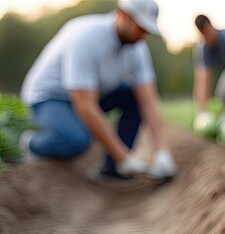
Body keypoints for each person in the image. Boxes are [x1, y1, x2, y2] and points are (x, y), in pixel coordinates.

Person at [19, 0, 177, 180]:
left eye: (147, 31)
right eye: (140, 28)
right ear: (123, 16)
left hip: (90, 95)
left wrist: (162, 152)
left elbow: (148, 99)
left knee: (133, 96)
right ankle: (31, 143)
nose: (143, 35)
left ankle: (112, 169)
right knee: (76, 140)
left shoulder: (137, 48)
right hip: (50, 99)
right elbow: (84, 105)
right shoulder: (86, 38)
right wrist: (123, 156)